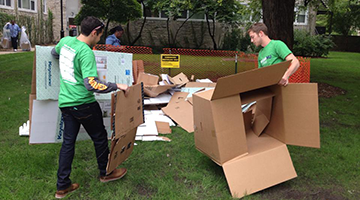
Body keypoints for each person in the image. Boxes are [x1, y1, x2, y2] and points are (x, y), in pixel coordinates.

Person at [51, 16, 129, 199]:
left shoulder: (65, 42)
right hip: (84, 103)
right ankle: (106, 173)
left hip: (66, 104)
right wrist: (118, 86)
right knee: (100, 138)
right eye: (100, 35)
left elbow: (54, 54)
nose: (100, 38)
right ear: (94, 32)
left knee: (68, 144)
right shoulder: (86, 53)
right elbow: (91, 84)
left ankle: (62, 186)